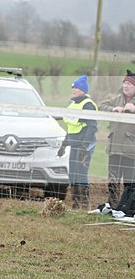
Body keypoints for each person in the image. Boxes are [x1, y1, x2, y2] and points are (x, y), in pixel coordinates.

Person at [97, 70, 135, 214]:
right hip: (114, 148)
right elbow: (101, 107)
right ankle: (112, 207)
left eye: (129, 84)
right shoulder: (117, 99)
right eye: (124, 83)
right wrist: (113, 109)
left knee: (130, 184)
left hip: (131, 151)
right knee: (113, 182)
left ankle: (128, 209)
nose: (126, 86)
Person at [59, 75, 98, 209]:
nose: (73, 89)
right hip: (74, 143)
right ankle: (75, 205)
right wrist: (64, 145)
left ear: (83, 90)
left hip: (84, 145)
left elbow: (92, 127)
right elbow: (71, 127)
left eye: (76, 87)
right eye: (73, 87)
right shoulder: (73, 104)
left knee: (81, 175)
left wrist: (84, 147)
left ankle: (84, 205)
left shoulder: (88, 105)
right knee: (73, 174)